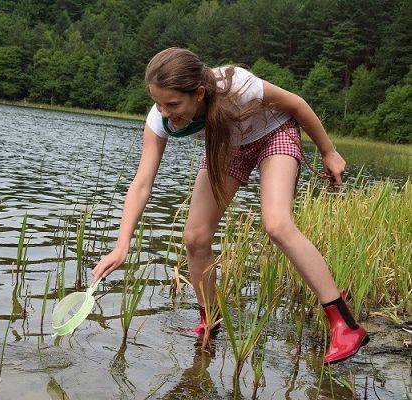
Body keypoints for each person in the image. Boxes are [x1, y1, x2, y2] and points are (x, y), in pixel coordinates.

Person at [91, 47, 369, 365]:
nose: (165, 112)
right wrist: (121, 244)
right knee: (195, 238)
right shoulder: (160, 120)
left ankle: (345, 325)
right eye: (158, 103)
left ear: (198, 93)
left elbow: (296, 103)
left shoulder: (237, 85)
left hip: (273, 134)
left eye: (173, 104)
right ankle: (211, 322)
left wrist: (328, 151)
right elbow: (142, 183)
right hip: (228, 148)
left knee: (276, 223)